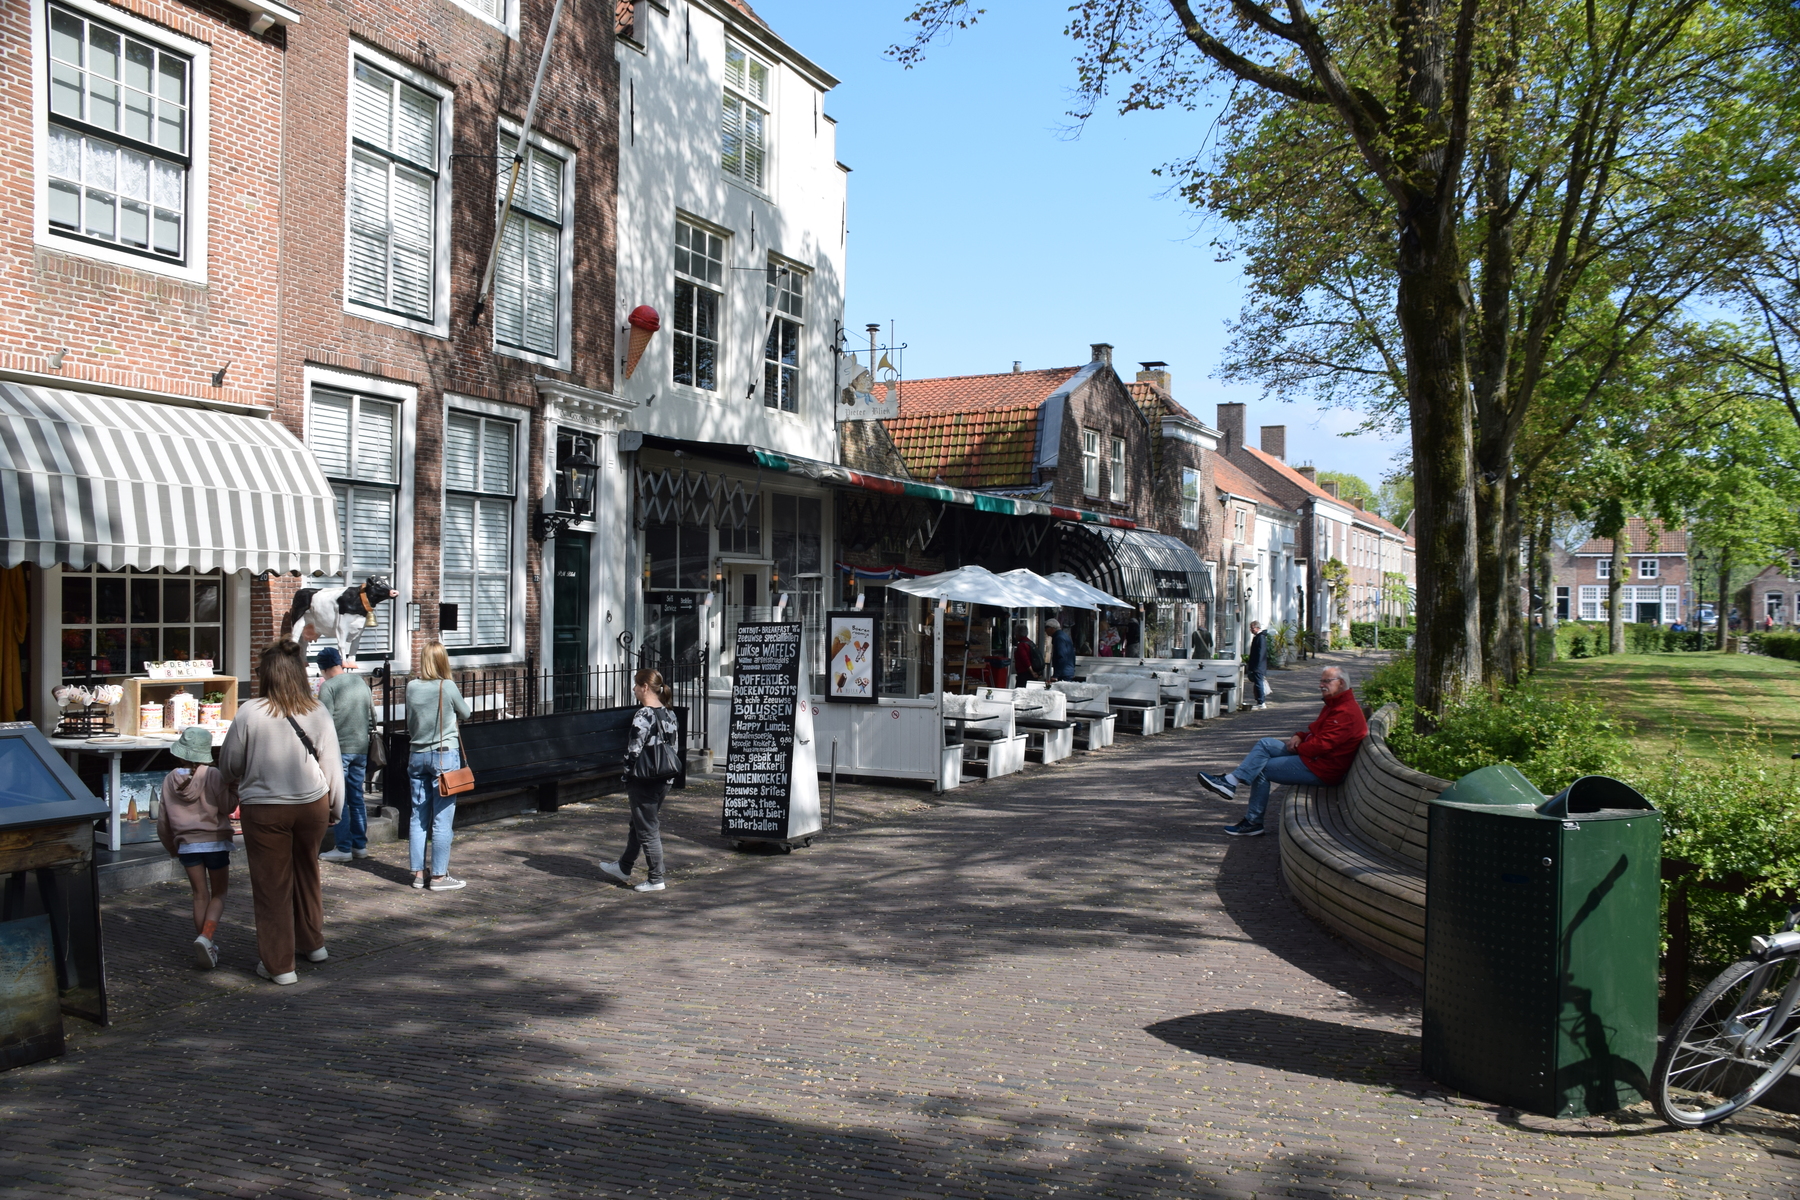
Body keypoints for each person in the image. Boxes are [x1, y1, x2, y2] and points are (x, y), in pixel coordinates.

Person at [217, 640, 345, 985]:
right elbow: (332, 765)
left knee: (271, 886)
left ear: (267, 675)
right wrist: (335, 807)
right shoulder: (317, 710)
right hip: (312, 803)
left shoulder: (250, 712)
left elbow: (229, 764)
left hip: (265, 808)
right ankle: (313, 944)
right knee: (307, 872)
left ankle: (279, 965)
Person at [1197, 665, 1368, 837]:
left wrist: (1298, 746)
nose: (1321, 685)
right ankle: (1231, 781)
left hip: (1323, 769)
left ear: (1341, 683)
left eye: (1326, 681)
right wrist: (1299, 736)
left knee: (1262, 770)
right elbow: (1317, 732)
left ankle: (1253, 822)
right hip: (1316, 759)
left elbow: (1320, 746)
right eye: (1321, 681)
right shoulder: (1335, 703)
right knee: (1265, 743)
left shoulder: (1346, 712)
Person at [156, 726, 237, 971]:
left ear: (180, 753)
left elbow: (163, 821)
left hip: (187, 846)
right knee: (219, 894)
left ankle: (205, 943)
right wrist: (234, 788)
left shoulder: (170, 779)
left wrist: (172, 847)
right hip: (215, 843)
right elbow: (228, 807)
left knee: (199, 895)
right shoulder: (213, 775)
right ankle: (207, 937)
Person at [599, 669, 681, 893]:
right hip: (664, 778)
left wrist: (626, 774)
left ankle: (656, 878)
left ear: (645, 687)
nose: (634, 689)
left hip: (644, 778)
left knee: (647, 829)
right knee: (639, 823)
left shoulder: (643, 715)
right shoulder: (669, 714)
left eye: (636, 685)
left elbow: (634, 749)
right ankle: (624, 866)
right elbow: (673, 748)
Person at [407, 641, 471, 892]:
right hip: (444, 756)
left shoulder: (412, 686)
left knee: (418, 815)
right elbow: (465, 713)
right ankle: (438, 877)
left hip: (417, 755)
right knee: (442, 818)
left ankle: (417, 874)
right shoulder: (447, 686)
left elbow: (412, 719)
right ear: (443, 661)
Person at [316, 646, 373, 864]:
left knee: (340, 800)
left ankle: (343, 847)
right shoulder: (360, 682)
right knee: (357, 797)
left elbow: (324, 721)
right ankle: (360, 845)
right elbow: (372, 715)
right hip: (361, 748)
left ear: (323, 668)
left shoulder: (328, 687)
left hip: (339, 749)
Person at [1245, 621, 1269, 710]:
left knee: (1259, 683)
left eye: (1252, 628)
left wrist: (1256, 666)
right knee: (1258, 683)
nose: (1251, 630)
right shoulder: (1259, 637)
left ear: (1257, 628)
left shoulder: (1260, 638)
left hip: (1258, 666)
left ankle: (1261, 702)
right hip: (1258, 665)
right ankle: (1260, 702)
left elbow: (1260, 653)